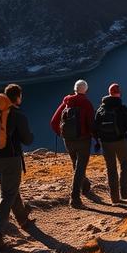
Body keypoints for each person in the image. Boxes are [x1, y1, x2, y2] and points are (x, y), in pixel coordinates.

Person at [0, 83, 34, 251]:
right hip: (10, 159)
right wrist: (30, 135)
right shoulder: (17, 115)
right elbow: (27, 140)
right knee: (7, 194)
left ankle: (23, 219)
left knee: (10, 188)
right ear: (18, 97)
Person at [50, 79, 95, 208]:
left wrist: (63, 134)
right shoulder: (86, 103)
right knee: (80, 167)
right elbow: (91, 124)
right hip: (83, 140)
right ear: (85, 90)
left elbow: (53, 122)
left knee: (76, 165)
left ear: (74, 89)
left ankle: (85, 186)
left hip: (68, 141)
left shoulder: (66, 103)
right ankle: (75, 198)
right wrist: (95, 136)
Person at [94, 83, 127, 203]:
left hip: (106, 143)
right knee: (124, 164)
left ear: (109, 93)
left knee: (111, 168)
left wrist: (99, 140)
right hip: (120, 141)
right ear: (119, 94)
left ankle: (114, 198)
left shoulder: (101, 109)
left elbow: (95, 128)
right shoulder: (122, 108)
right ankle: (124, 191)